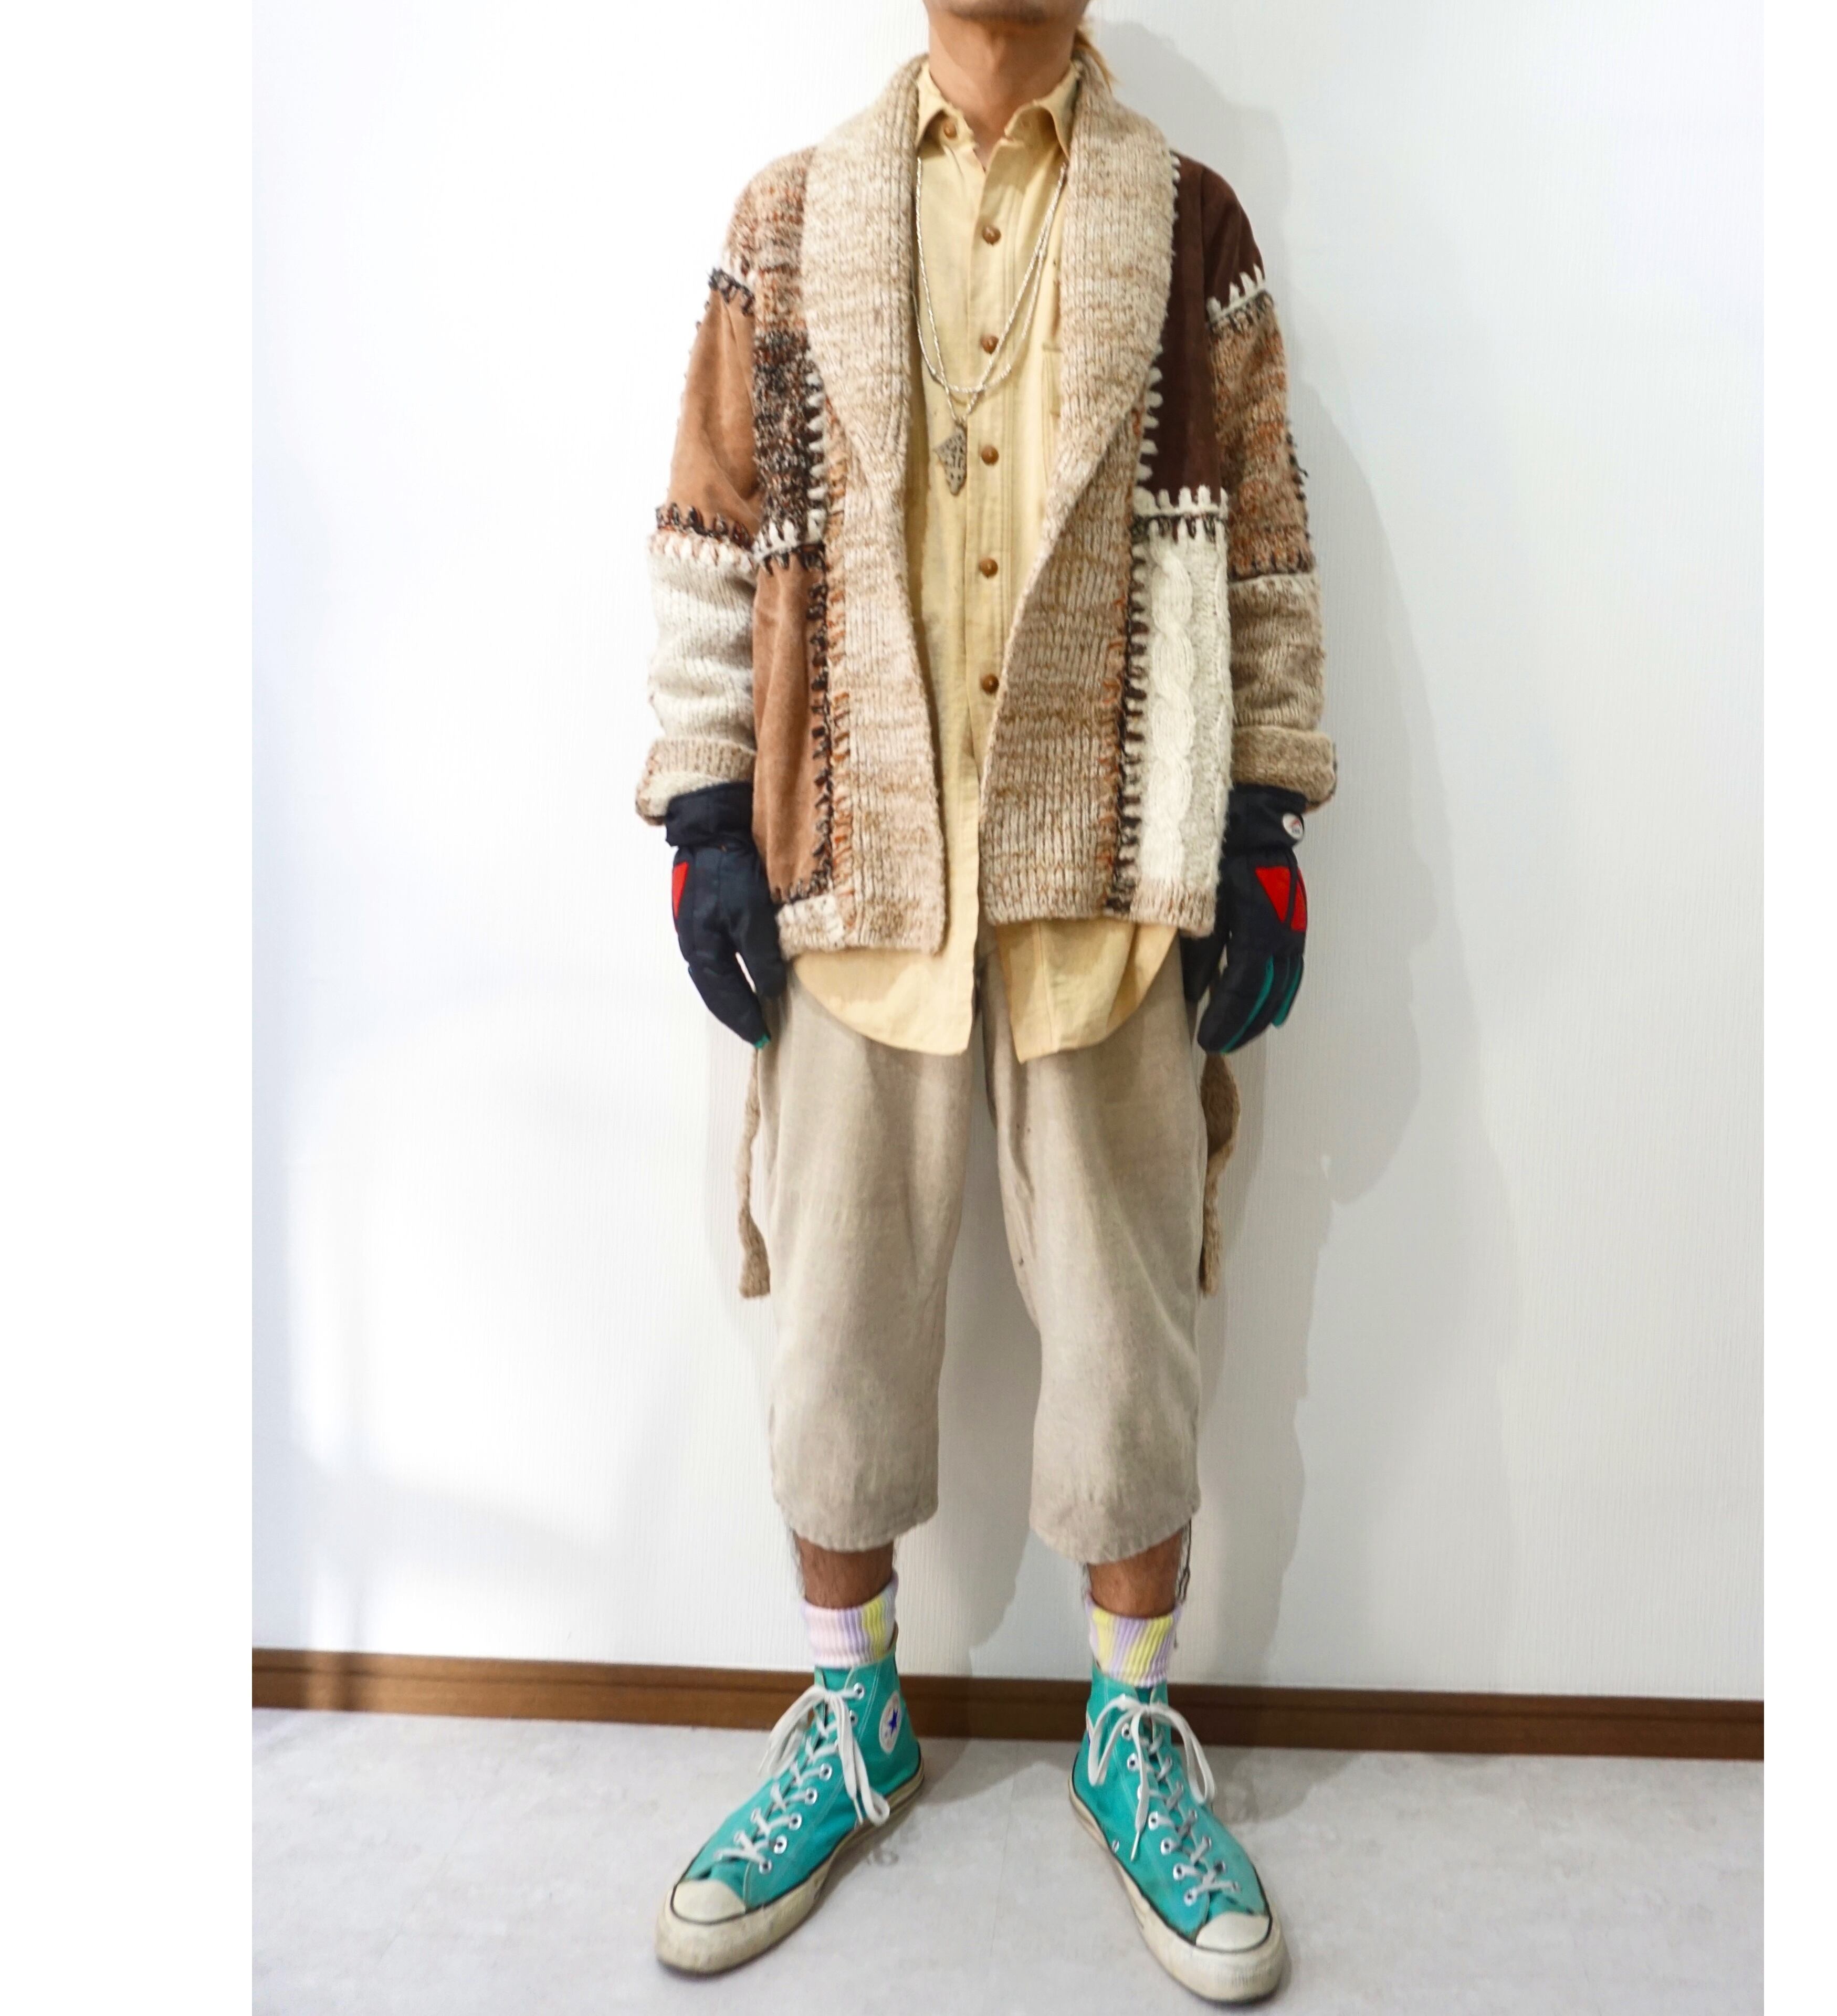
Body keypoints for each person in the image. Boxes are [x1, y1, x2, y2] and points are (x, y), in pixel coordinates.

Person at [634, 3, 1329, 2000]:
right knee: (837, 1331)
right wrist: (706, 813)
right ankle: (851, 1713)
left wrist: (1265, 818)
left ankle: (1130, 1724)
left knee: (1130, 1337)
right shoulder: (788, 221)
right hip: (854, 872)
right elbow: (706, 541)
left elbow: (1266, 552)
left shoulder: (1188, 226)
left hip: (1108, 875)